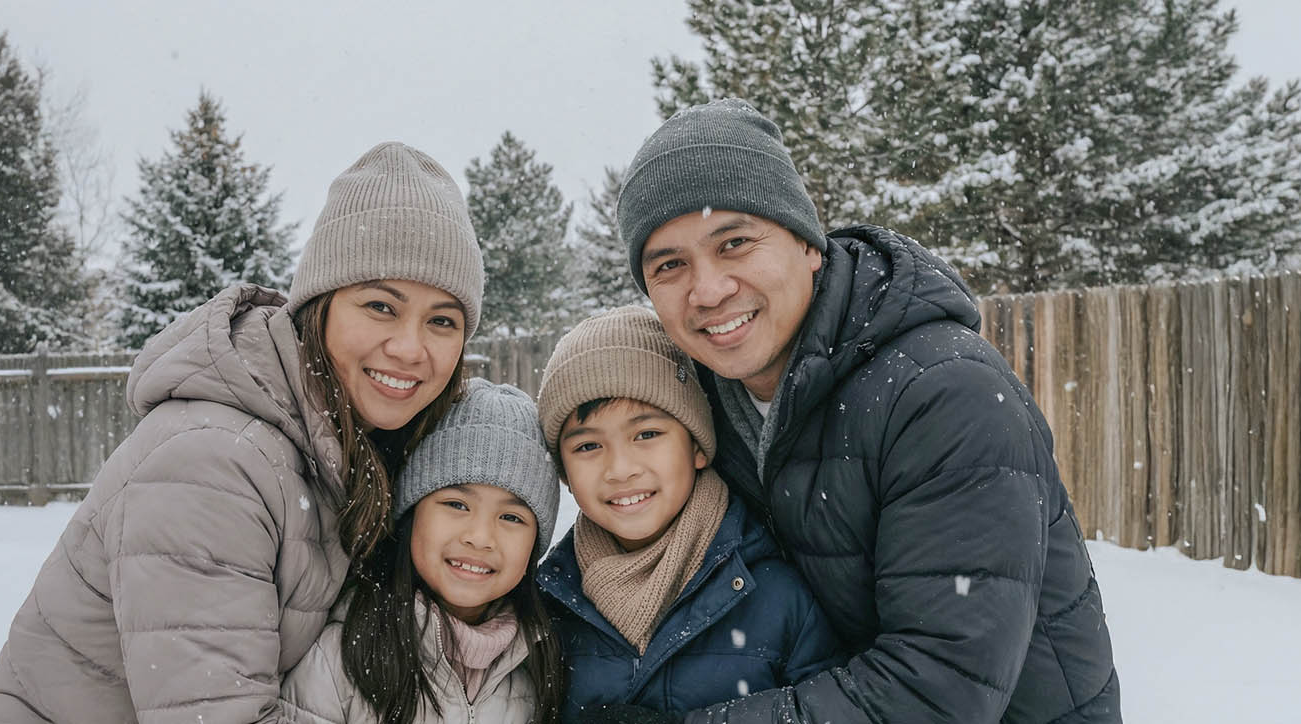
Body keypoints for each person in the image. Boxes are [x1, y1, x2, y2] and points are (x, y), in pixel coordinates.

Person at [598, 98, 1121, 723]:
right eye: (670, 266)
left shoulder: (943, 394)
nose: (708, 289)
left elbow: (938, 688)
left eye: (735, 242)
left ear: (808, 244)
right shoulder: (700, 407)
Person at [0, 141, 487, 723]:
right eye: (380, 307)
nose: (411, 347)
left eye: (442, 320)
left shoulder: (353, 450)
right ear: (318, 307)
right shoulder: (213, 462)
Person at [533, 305, 838, 721]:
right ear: (565, 471)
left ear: (697, 446)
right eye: (588, 446)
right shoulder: (546, 605)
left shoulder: (779, 595)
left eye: (647, 434)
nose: (620, 469)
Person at [279, 379, 565, 724]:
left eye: (511, 516)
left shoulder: (536, 665)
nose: (480, 537)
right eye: (457, 504)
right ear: (411, 513)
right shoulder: (341, 659)